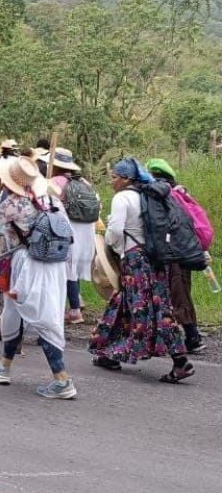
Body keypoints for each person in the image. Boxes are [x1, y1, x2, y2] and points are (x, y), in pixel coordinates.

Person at [89, 157, 193, 383]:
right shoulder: (147, 195)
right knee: (153, 305)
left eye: (114, 177)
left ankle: (122, 351)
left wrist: (116, 249)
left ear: (126, 179)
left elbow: (115, 231)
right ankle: (111, 352)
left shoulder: (122, 198)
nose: (111, 182)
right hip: (156, 258)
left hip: (135, 259)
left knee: (138, 307)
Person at [0, 157, 77, 399]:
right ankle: (4, 364)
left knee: (38, 317)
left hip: (26, 264)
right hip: (54, 265)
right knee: (32, 313)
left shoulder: (13, 202)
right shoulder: (51, 200)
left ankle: (62, 379)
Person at [146, 158, 206, 353]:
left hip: (174, 252)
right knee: (182, 292)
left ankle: (192, 337)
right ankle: (190, 336)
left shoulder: (163, 195)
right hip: (188, 250)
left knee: (177, 294)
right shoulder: (180, 193)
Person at [48, 148, 96, 324]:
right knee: (73, 269)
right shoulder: (83, 182)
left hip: (68, 228)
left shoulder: (54, 182)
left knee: (66, 268)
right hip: (86, 230)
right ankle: (76, 302)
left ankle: (74, 309)